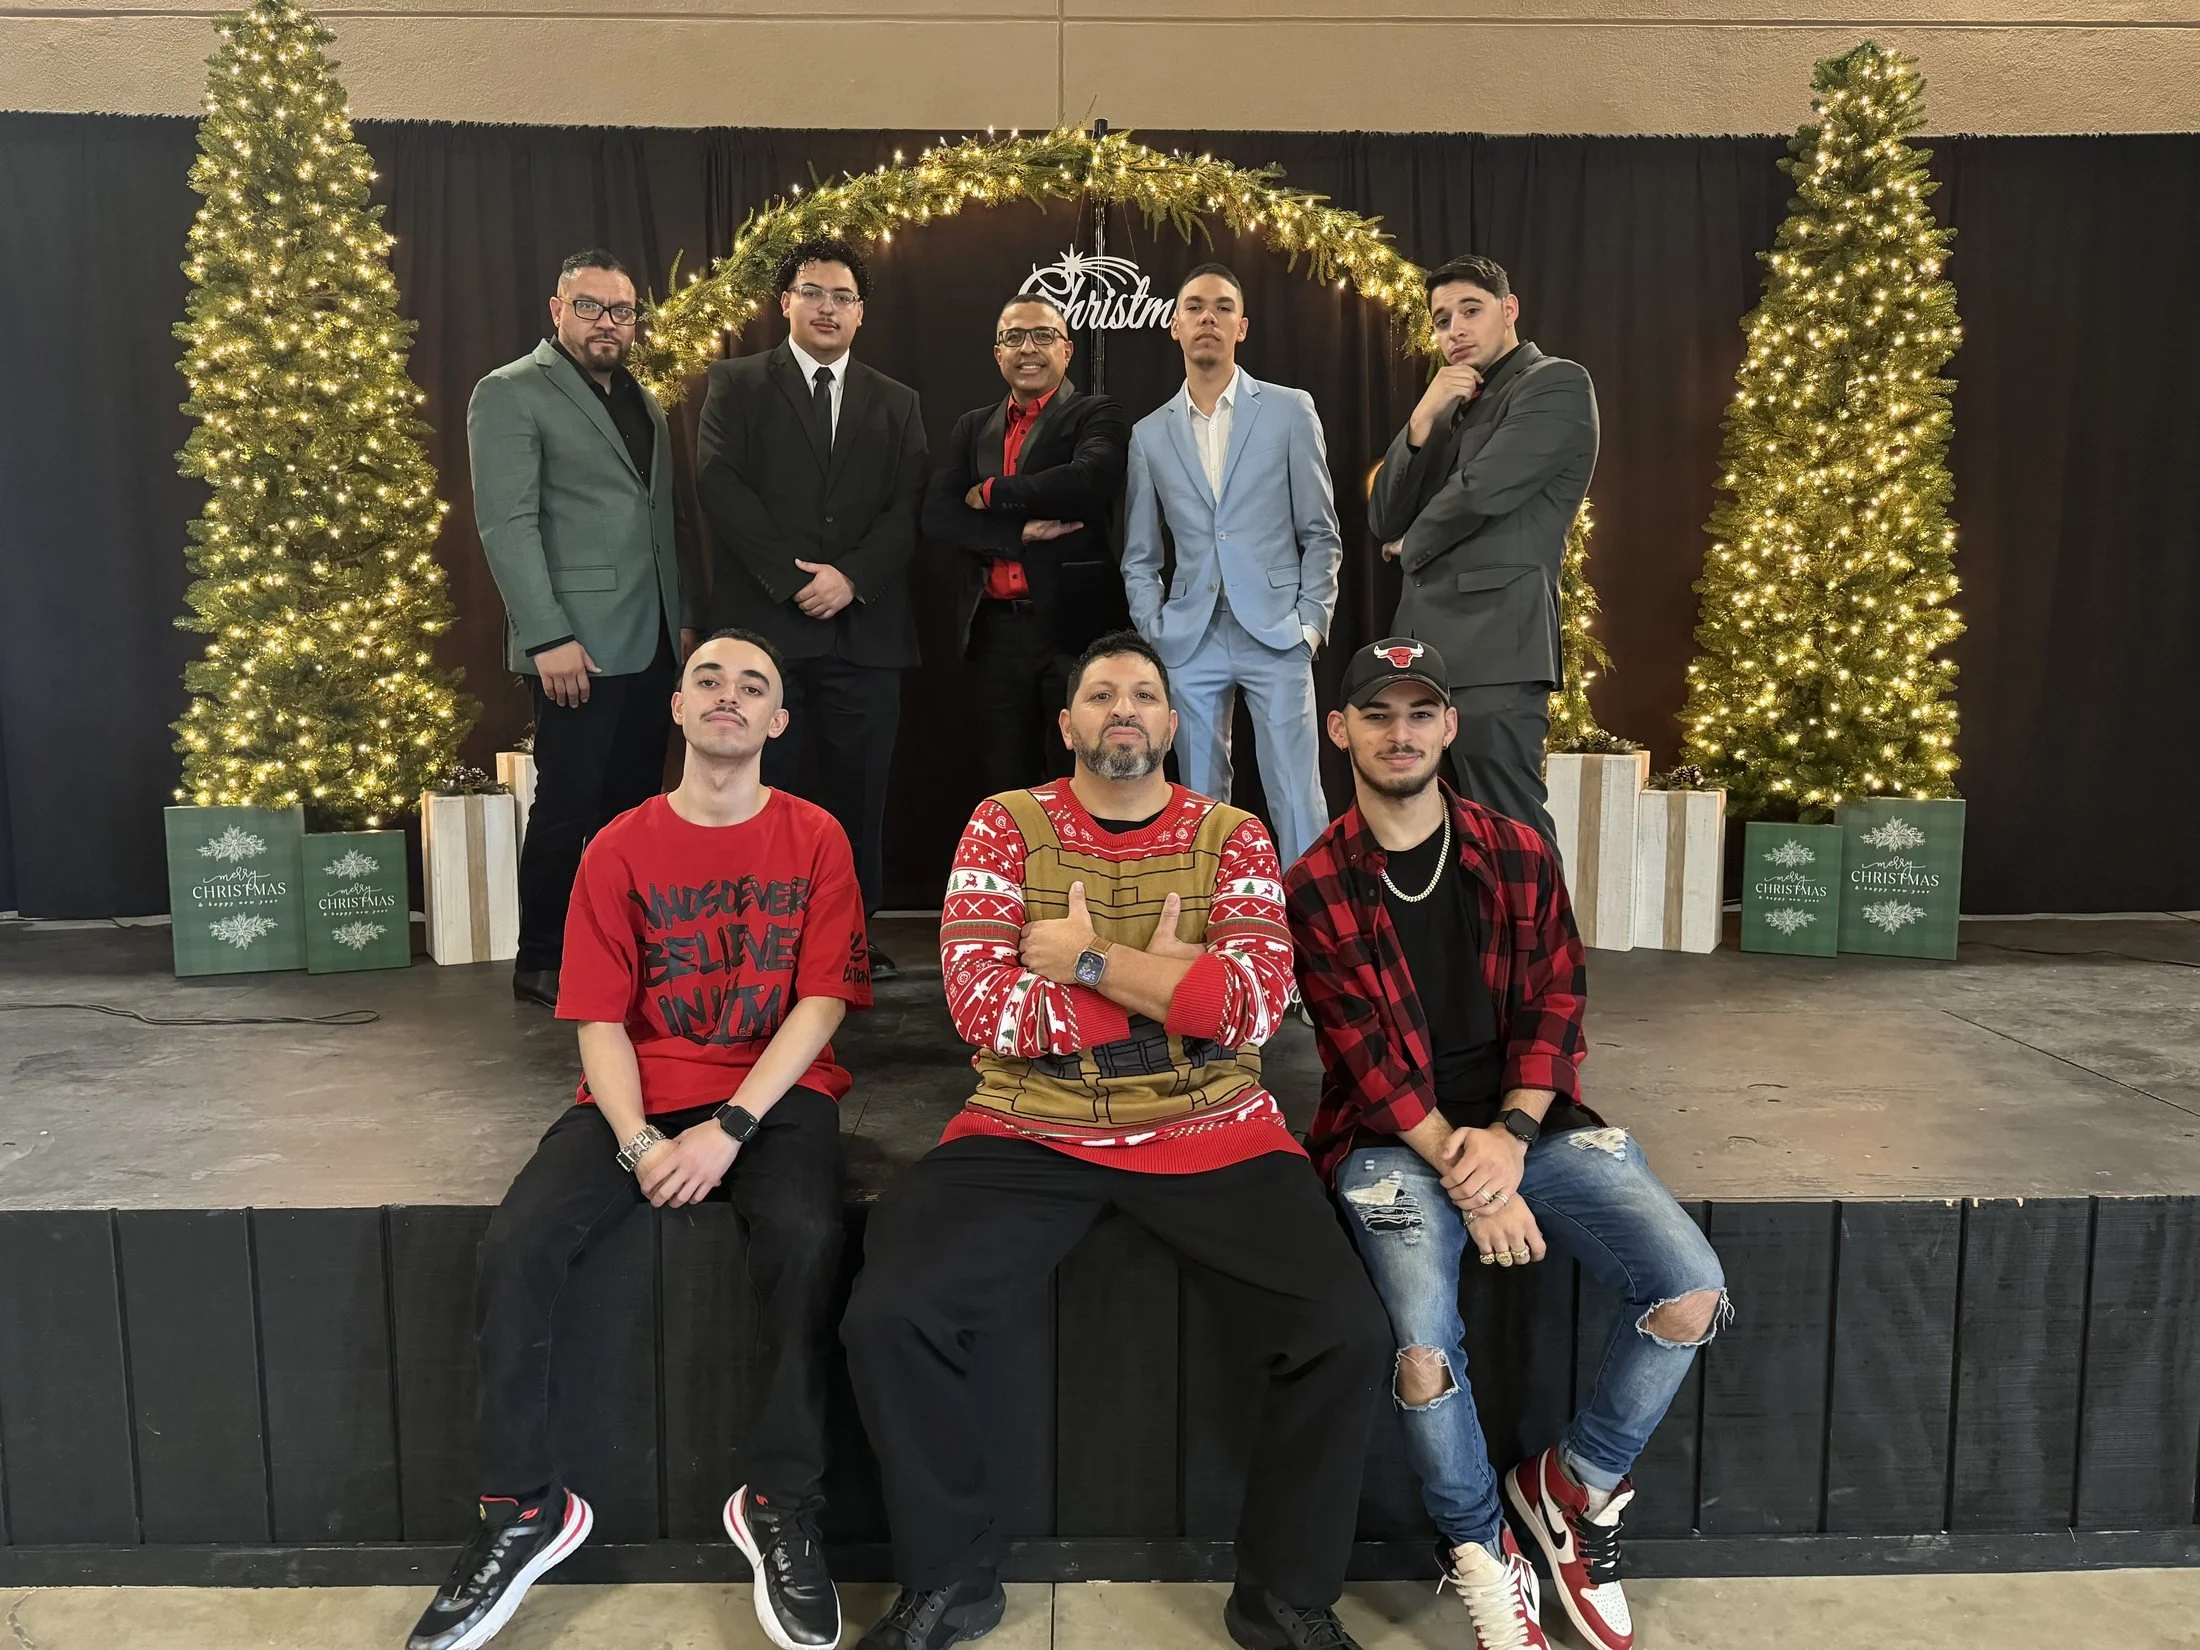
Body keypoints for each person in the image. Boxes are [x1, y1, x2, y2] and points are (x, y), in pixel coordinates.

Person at [841, 631, 1390, 1650]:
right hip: (1027, 1126)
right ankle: (948, 1582)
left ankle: (1282, 1597)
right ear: (1069, 723)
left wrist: (1086, 959)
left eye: (1143, 693)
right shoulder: (1004, 825)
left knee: (1346, 1334)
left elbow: (1256, 1007)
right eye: (1101, 694)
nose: (1123, 708)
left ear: (1173, 725)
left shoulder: (1231, 834)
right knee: (890, 1316)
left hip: (1210, 1125)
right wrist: (1167, 989)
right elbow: (983, 1009)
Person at [405, 630, 872, 1650]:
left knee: (804, 1236)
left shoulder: (816, 838)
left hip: (775, 1093)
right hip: (633, 1096)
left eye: (754, 685)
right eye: (708, 678)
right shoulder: (618, 845)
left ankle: (779, 1502)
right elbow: (598, 1022)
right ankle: (521, 1507)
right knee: (518, 1241)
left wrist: (730, 1129)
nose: (728, 695)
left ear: (776, 722)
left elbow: (825, 1001)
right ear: (676, 706)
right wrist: (640, 1144)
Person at [1284, 637, 1728, 1650]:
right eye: (1378, 715)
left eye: (1419, 713)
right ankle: (1482, 1551)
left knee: (1688, 1286)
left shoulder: (1515, 849)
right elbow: (1367, 1063)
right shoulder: (1314, 882)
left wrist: (1514, 1141)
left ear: (1448, 726)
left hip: (1528, 1122)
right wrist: (1476, 1177)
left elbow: (1556, 1003)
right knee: (1421, 1344)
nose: (1400, 733)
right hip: (1392, 1139)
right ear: (1340, 729)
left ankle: (1574, 1487)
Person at [468, 249, 697, 1009]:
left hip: (654, 635)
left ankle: (617, 952)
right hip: (576, 644)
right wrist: (545, 635)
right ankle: (542, 959)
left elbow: (658, 524)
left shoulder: (640, 398)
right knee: (570, 802)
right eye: (592, 307)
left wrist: (683, 625)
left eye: (622, 310)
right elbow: (508, 525)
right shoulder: (510, 393)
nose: (609, 322)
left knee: (632, 806)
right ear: (557, 310)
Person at [696, 236, 927, 980]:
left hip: (866, 635)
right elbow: (719, 485)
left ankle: (851, 944)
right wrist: (791, 580)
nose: (828, 307)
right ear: (786, 302)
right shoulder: (735, 383)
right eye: (814, 293)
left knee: (860, 798)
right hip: (767, 635)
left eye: (843, 297)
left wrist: (851, 578)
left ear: (861, 314)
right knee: (766, 794)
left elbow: (908, 507)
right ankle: (767, 941)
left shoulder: (897, 402)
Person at [1369, 256, 1600, 845]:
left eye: (1470, 310)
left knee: (1509, 828)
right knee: (1437, 837)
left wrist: (1410, 543)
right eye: (1442, 320)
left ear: (1509, 308)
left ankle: (1541, 942)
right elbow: (1383, 517)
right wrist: (1422, 418)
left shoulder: (1556, 383)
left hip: (1497, 646)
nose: (1456, 330)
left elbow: (1484, 489)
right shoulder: (1450, 405)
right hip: (1424, 653)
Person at [1120, 264, 1342, 871]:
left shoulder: (1291, 411)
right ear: (1174, 325)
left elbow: (1321, 532)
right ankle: (1210, 925)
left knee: (1297, 794)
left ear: (1241, 326)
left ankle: (1314, 934)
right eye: (1194, 306)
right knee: (1195, 800)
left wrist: (1310, 625)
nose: (1207, 318)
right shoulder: (1148, 435)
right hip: (1189, 639)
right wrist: (1155, 631)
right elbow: (1140, 555)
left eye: (1221, 307)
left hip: (1276, 630)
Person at [922, 290, 1131, 797]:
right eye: (1014, 337)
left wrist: (990, 492)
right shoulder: (973, 427)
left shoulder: (1096, 414)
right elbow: (938, 515)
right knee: (1005, 782)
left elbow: (1085, 481)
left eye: (1043, 335)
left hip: (1073, 631)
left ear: (1067, 349)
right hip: (995, 634)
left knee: (1080, 778)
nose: (1028, 348)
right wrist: (1017, 533)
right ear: (998, 354)